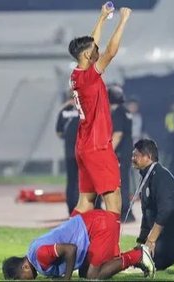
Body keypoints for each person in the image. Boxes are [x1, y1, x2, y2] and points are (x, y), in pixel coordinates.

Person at [68, 4, 132, 218]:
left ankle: (68, 244)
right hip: (98, 146)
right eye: (95, 50)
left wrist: (102, 18)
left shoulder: (76, 75)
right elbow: (111, 52)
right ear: (87, 55)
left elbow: (91, 44)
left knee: (85, 202)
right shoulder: (88, 77)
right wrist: (123, 21)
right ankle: (111, 250)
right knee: (114, 203)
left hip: (84, 145)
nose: (98, 49)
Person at [2, 210, 154, 280]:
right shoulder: (34, 254)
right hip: (93, 225)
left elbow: (70, 249)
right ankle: (132, 256)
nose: (22, 281)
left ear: (24, 267)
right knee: (84, 274)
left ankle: (137, 256)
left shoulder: (40, 256)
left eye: (19, 279)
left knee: (94, 276)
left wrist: (66, 279)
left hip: (98, 227)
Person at [132, 139, 174, 270]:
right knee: (140, 257)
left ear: (148, 157)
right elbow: (146, 213)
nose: (132, 158)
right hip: (164, 227)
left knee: (155, 262)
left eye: (136, 155)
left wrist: (151, 240)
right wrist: (141, 242)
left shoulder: (160, 176)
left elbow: (165, 210)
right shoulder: (145, 177)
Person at [108, 84, 135, 223]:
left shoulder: (118, 112)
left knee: (121, 183)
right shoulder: (126, 111)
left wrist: (108, 152)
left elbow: (117, 134)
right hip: (127, 151)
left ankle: (124, 211)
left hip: (120, 153)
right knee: (125, 182)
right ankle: (128, 211)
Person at [55, 90, 80, 215]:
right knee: (85, 181)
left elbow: (59, 132)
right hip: (83, 152)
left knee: (71, 181)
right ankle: (85, 209)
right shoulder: (84, 110)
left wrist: (68, 137)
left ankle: (71, 209)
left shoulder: (63, 111)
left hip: (69, 152)